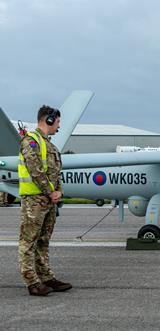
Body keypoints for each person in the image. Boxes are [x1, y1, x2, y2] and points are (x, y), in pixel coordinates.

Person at [18, 105, 72, 296]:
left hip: (47, 201)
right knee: (28, 242)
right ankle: (32, 282)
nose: (59, 126)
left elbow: (55, 173)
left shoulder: (49, 145)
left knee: (43, 241)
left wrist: (58, 192)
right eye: (57, 122)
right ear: (48, 120)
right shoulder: (30, 142)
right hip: (35, 201)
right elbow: (36, 171)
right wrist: (51, 192)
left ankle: (47, 277)